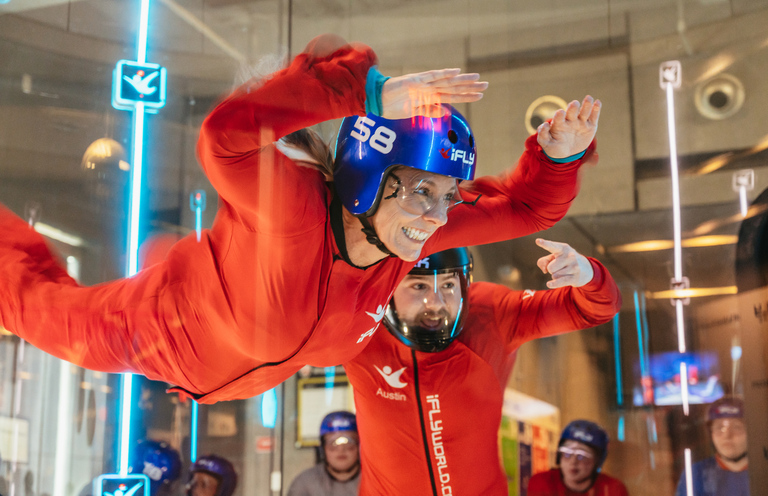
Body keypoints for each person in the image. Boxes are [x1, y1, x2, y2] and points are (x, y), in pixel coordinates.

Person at [0, 33, 601, 404]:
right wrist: (353, 92)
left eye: (447, 195)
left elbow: (526, 207)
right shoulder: (291, 207)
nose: (437, 216)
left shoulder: (416, 237)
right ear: (370, 178)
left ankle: (174, 254)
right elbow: (221, 140)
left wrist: (559, 153)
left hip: (231, 348)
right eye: (421, 191)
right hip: (155, 332)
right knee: (29, 303)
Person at [344, 241, 622, 495]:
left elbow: (592, 309)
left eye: (448, 286)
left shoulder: (491, 312)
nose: (436, 303)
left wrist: (589, 276)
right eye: (419, 287)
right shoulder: (360, 322)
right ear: (388, 290)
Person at [528, 420, 628, 496]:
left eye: (581, 456)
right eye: (567, 454)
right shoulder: (542, 482)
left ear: (597, 461)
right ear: (559, 456)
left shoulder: (612, 488)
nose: (573, 462)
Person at [674, 396, 749, 496]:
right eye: (719, 428)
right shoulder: (696, 474)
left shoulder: (763, 469)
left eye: (737, 427)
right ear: (711, 433)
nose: (727, 436)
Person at [287, 411, 360, 496]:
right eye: (333, 444)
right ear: (322, 448)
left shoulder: (373, 480)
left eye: (349, 443)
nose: (341, 450)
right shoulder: (305, 483)